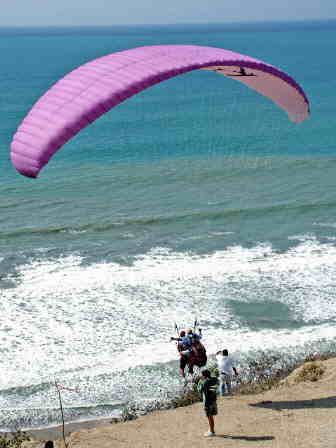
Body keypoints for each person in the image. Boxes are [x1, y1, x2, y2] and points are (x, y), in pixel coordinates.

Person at [197, 369, 218, 437]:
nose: (201, 376)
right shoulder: (215, 379)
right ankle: (211, 430)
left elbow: (199, 390)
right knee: (211, 416)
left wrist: (200, 382)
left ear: (204, 376)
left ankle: (212, 431)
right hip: (213, 400)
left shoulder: (205, 383)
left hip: (208, 401)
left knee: (209, 416)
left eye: (202, 375)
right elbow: (215, 382)